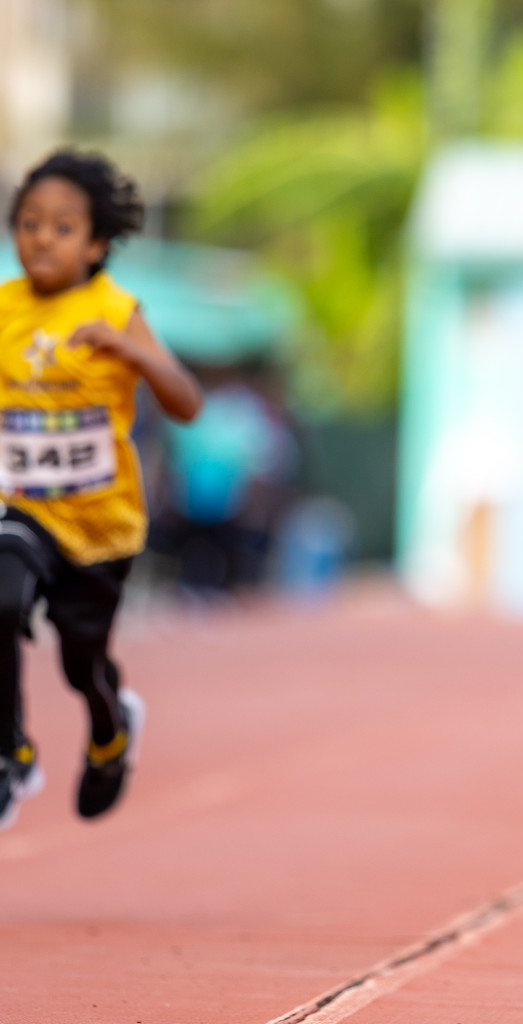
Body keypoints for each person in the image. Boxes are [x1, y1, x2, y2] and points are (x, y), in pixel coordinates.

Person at [0, 151, 203, 830]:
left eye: (61, 227)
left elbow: (186, 403)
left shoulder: (116, 310)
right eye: (29, 223)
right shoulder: (4, 311)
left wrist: (135, 354)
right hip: (21, 508)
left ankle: (111, 730)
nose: (41, 238)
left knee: (81, 663)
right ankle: (12, 753)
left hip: (99, 525)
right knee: (0, 601)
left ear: (95, 244)